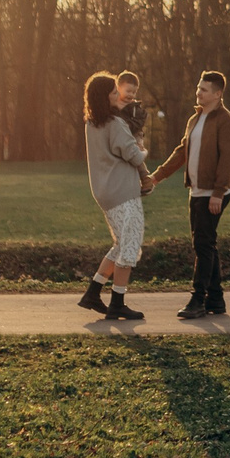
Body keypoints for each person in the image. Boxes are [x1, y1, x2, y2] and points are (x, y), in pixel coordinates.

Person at [146, 70, 230, 319]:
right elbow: (182, 151)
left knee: (203, 244)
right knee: (205, 244)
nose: (198, 92)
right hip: (197, 191)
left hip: (214, 192)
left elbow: (229, 160)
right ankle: (216, 299)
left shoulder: (226, 122)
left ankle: (198, 300)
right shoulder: (194, 119)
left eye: (204, 90)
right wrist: (157, 175)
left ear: (218, 94)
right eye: (198, 88)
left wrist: (218, 193)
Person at [79, 70, 154, 321]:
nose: (118, 95)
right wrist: (143, 152)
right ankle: (118, 302)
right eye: (113, 92)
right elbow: (132, 154)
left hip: (104, 192)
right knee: (130, 245)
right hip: (122, 191)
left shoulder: (92, 123)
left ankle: (92, 293)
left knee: (121, 244)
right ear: (104, 96)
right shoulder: (115, 124)